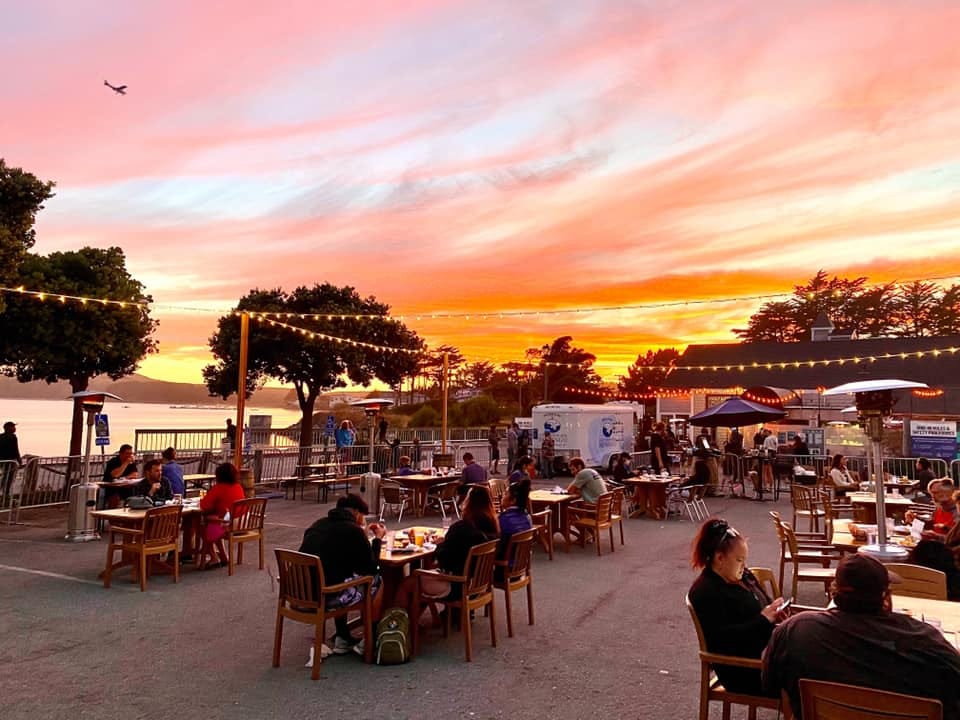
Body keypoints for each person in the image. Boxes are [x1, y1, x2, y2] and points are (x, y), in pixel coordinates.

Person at [762, 553, 960, 719]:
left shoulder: (796, 630)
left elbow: (770, 686)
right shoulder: (925, 640)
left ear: (834, 591)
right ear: (885, 596)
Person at [689, 518, 785, 696]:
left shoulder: (743, 576)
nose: (744, 566)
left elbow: (763, 605)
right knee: (808, 676)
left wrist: (775, 611)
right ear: (720, 558)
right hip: (744, 670)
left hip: (766, 654)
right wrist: (764, 620)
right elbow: (723, 640)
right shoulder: (705, 592)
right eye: (739, 560)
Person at [397, 485, 499, 621]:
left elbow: (444, 560)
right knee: (422, 575)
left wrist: (440, 545)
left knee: (407, 583)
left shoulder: (460, 528)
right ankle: (414, 619)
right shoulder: (492, 528)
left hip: (456, 585)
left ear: (469, 503)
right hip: (477, 585)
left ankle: (399, 625)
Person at [299, 493, 385, 655]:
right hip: (325, 596)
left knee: (341, 575)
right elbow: (371, 568)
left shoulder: (318, 524)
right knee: (377, 580)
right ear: (356, 512)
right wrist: (377, 539)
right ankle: (370, 639)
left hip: (301, 594)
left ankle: (342, 636)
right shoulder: (353, 530)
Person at [197, 463, 246, 570]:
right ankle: (223, 556)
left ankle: (214, 556)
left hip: (228, 525)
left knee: (202, 526)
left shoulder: (218, 488)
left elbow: (204, 505)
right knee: (214, 524)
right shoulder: (238, 487)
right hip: (242, 523)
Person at [496, 478, 533, 581]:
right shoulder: (527, 517)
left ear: (513, 500)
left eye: (505, 494)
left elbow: (498, 545)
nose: (502, 496)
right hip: (520, 569)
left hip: (503, 571)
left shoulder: (504, 519)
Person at [101, 444, 139, 508]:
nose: (129, 455)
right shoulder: (113, 461)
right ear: (121, 453)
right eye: (127, 453)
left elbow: (135, 474)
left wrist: (124, 478)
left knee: (134, 492)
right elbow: (115, 475)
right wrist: (125, 463)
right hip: (112, 488)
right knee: (115, 497)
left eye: (131, 453)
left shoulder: (131, 462)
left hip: (125, 487)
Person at [0, 421, 21, 503]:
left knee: (4, 477)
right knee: (8, 478)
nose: (15, 428)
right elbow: (15, 449)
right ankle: (6, 495)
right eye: (13, 427)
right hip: (10, 461)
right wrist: (19, 460)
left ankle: (4, 494)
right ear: (8, 428)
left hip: (2, 461)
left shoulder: (1, 436)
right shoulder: (13, 437)